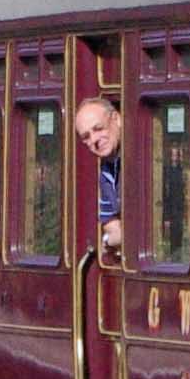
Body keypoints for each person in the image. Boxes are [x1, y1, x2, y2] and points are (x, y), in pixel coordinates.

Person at [73, 93, 128, 258]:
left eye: (98, 129)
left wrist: (109, 241)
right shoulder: (106, 169)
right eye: (86, 137)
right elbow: (111, 225)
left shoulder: (137, 157)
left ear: (116, 119)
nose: (94, 139)